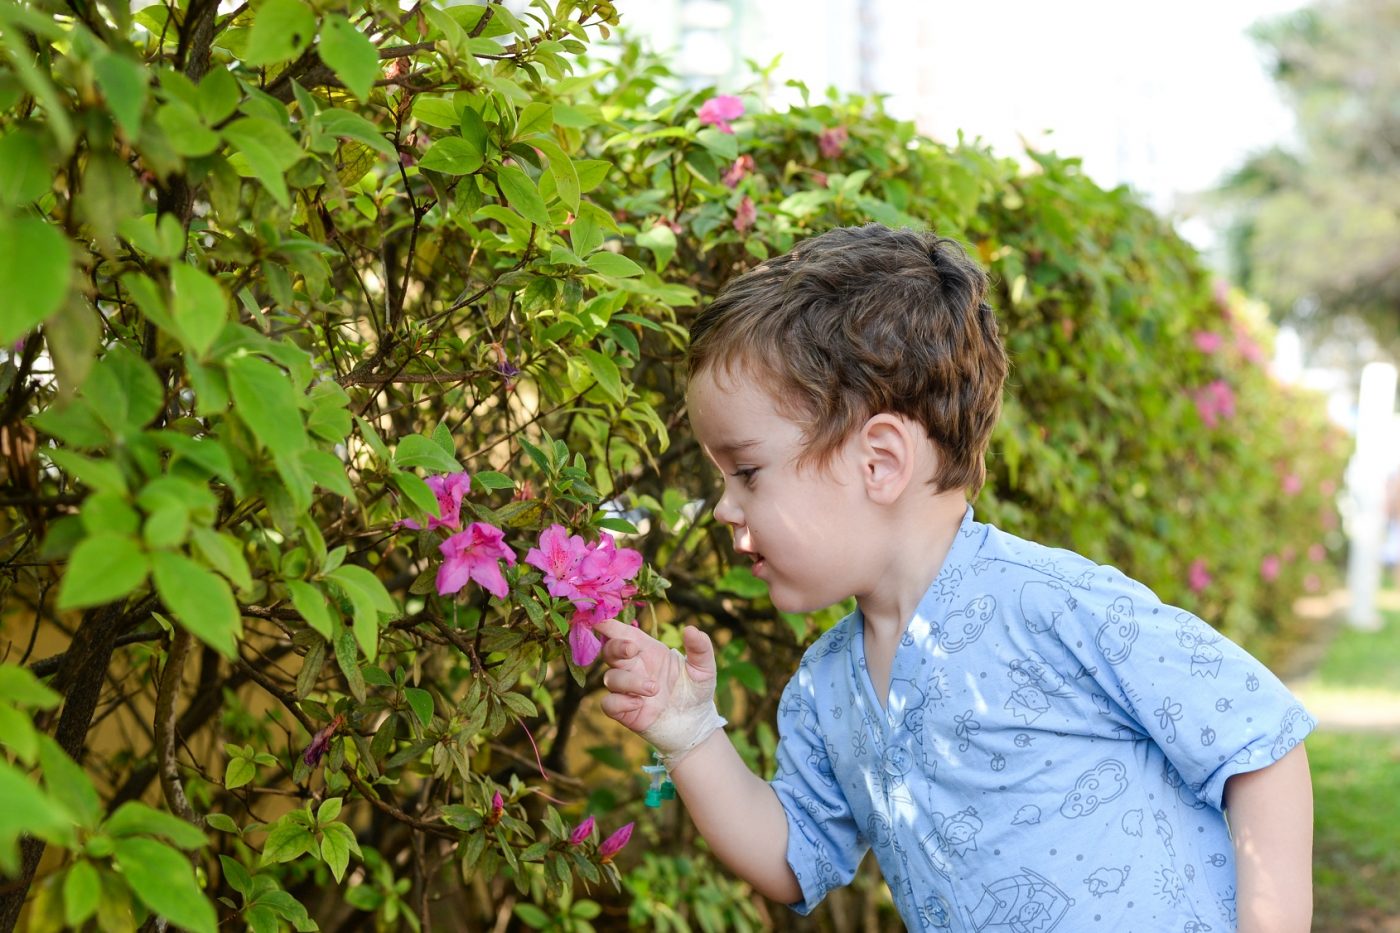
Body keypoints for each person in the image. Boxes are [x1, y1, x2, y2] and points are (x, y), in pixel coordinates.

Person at [595, 224, 1314, 931]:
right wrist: (689, 733)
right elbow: (794, 854)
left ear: (879, 461)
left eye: (746, 471)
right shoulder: (826, 685)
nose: (724, 506)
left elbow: (1258, 739)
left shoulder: (1044, 603)